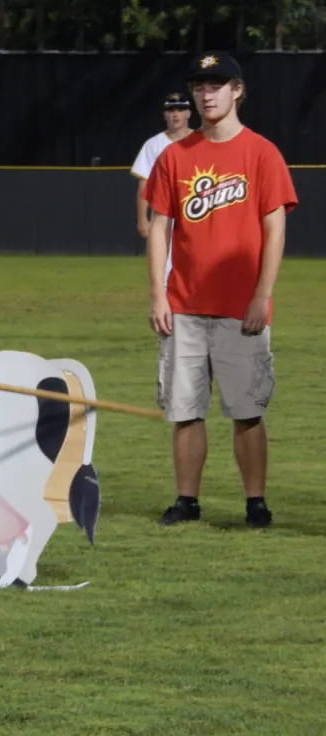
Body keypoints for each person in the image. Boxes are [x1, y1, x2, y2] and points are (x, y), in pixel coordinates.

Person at [144, 52, 297, 528]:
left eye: (217, 84)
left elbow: (274, 231)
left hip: (239, 306)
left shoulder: (261, 153)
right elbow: (159, 228)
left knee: (247, 410)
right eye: (199, 86)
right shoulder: (175, 156)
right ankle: (187, 500)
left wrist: (260, 295)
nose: (206, 93)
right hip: (184, 304)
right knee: (185, 410)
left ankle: (256, 501)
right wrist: (157, 294)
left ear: (238, 91)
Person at [131, 92, 193, 241]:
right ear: (165, 115)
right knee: (164, 262)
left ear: (188, 113)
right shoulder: (153, 145)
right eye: (171, 110)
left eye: (180, 110)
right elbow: (144, 183)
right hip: (164, 214)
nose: (175, 114)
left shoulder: (202, 140)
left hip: (195, 210)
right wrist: (142, 219)